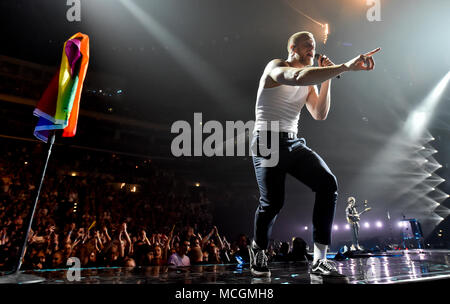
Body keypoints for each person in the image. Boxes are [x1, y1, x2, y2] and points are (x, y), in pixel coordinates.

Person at [249, 31, 380, 277]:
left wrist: (329, 78)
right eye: (307, 45)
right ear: (292, 48)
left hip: (293, 142)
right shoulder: (277, 66)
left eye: (314, 45)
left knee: (327, 183)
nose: (313, 48)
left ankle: (320, 258)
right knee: (272, 203)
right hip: (266, 141)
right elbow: (296, 76)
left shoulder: (310, 79)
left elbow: (319, 114)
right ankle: (258, 248)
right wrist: (346, 66)